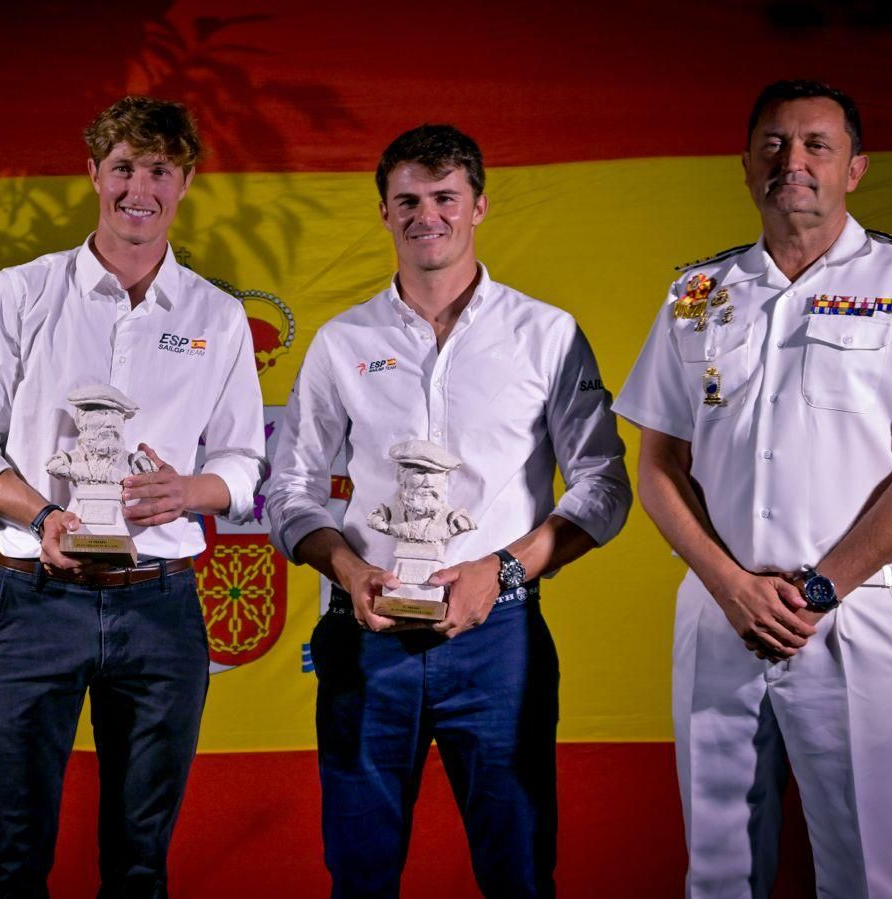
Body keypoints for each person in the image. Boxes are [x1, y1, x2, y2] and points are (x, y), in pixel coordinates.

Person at [613, 79, 892, 898]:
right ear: (744, 163)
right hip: (720, 612)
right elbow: (656, 468)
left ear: (855, 168)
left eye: (817, 145)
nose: (792, 161)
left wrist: (819, 589)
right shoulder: (697, 294)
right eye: (774, 144)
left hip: (851, 613)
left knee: (863, 872)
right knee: (716, 872)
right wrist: (731, 586)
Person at [263, 124, 631, 899]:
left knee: (519, 873)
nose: (426, 215)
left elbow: (603, 485)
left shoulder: (546, 335)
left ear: (479, 206)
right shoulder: (341, 342)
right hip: (366, 634)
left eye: (444, 198)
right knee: (359, 878)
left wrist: (501, 571)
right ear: (384, 212)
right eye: (407, 201)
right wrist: (348, 567)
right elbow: (288, 488)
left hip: (499, 640)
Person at [0, 95, 266, 897]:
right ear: (93, 173)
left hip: (160, 606)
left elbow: (244, 463)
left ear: (185, 181)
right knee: (14, 855)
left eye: (158, 171)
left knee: (140, 860)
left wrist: (188, 490)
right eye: (123, 168)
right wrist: (45, 514)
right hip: (34, 600)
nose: (138, 190)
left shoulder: (218, 316)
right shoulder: (20, 293)